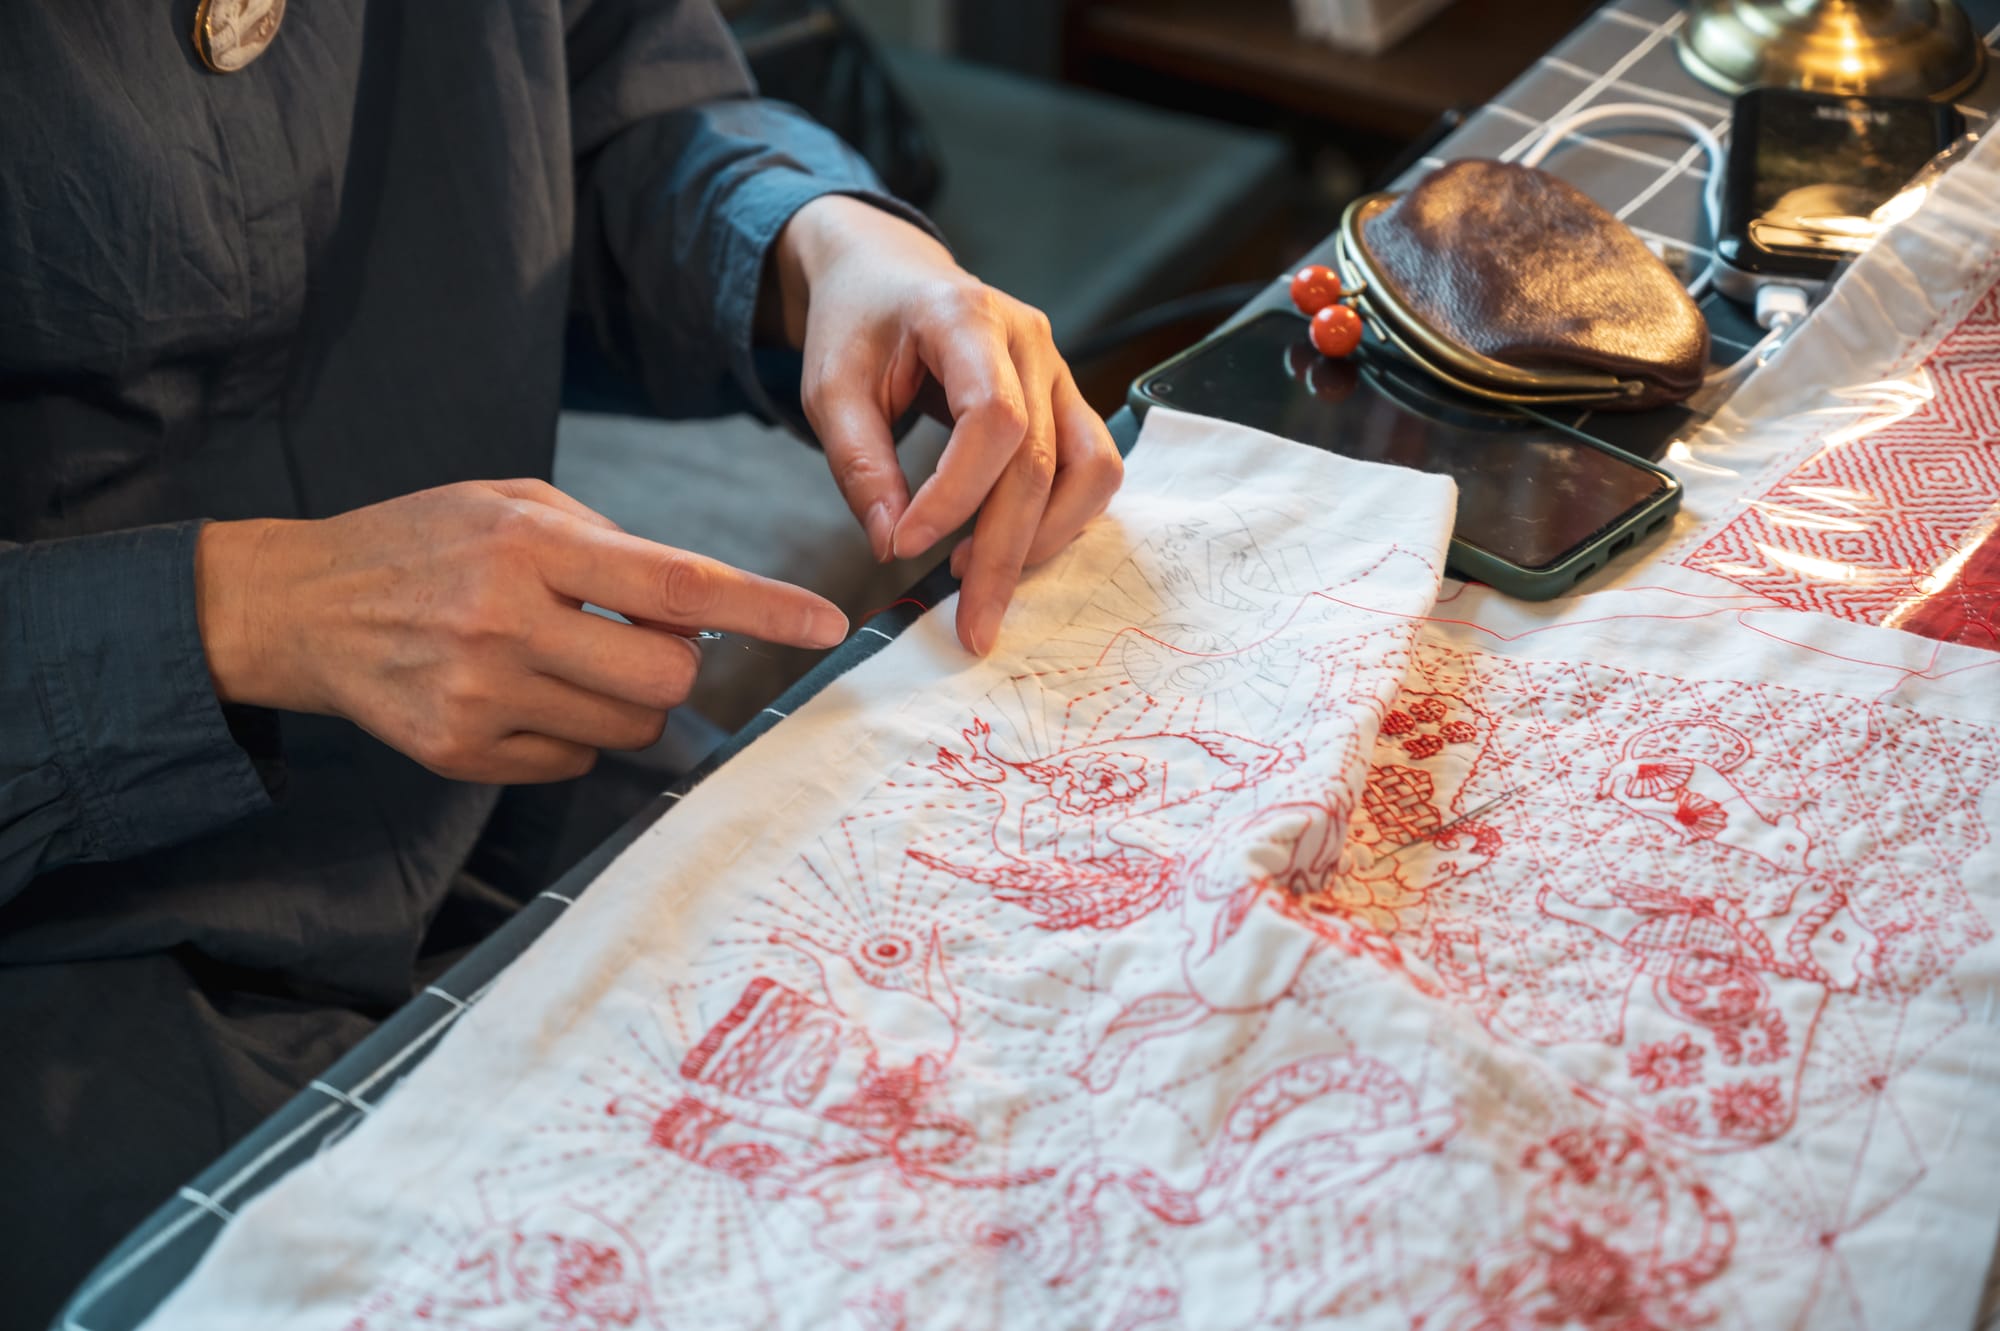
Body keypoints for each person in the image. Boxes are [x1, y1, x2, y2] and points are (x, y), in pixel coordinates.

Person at [0, 0, 1122, 1316]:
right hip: (68, 952)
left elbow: (597, 106)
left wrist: (818, 242)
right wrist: (247, 612)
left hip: (515, 785)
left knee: (1037, 1087)